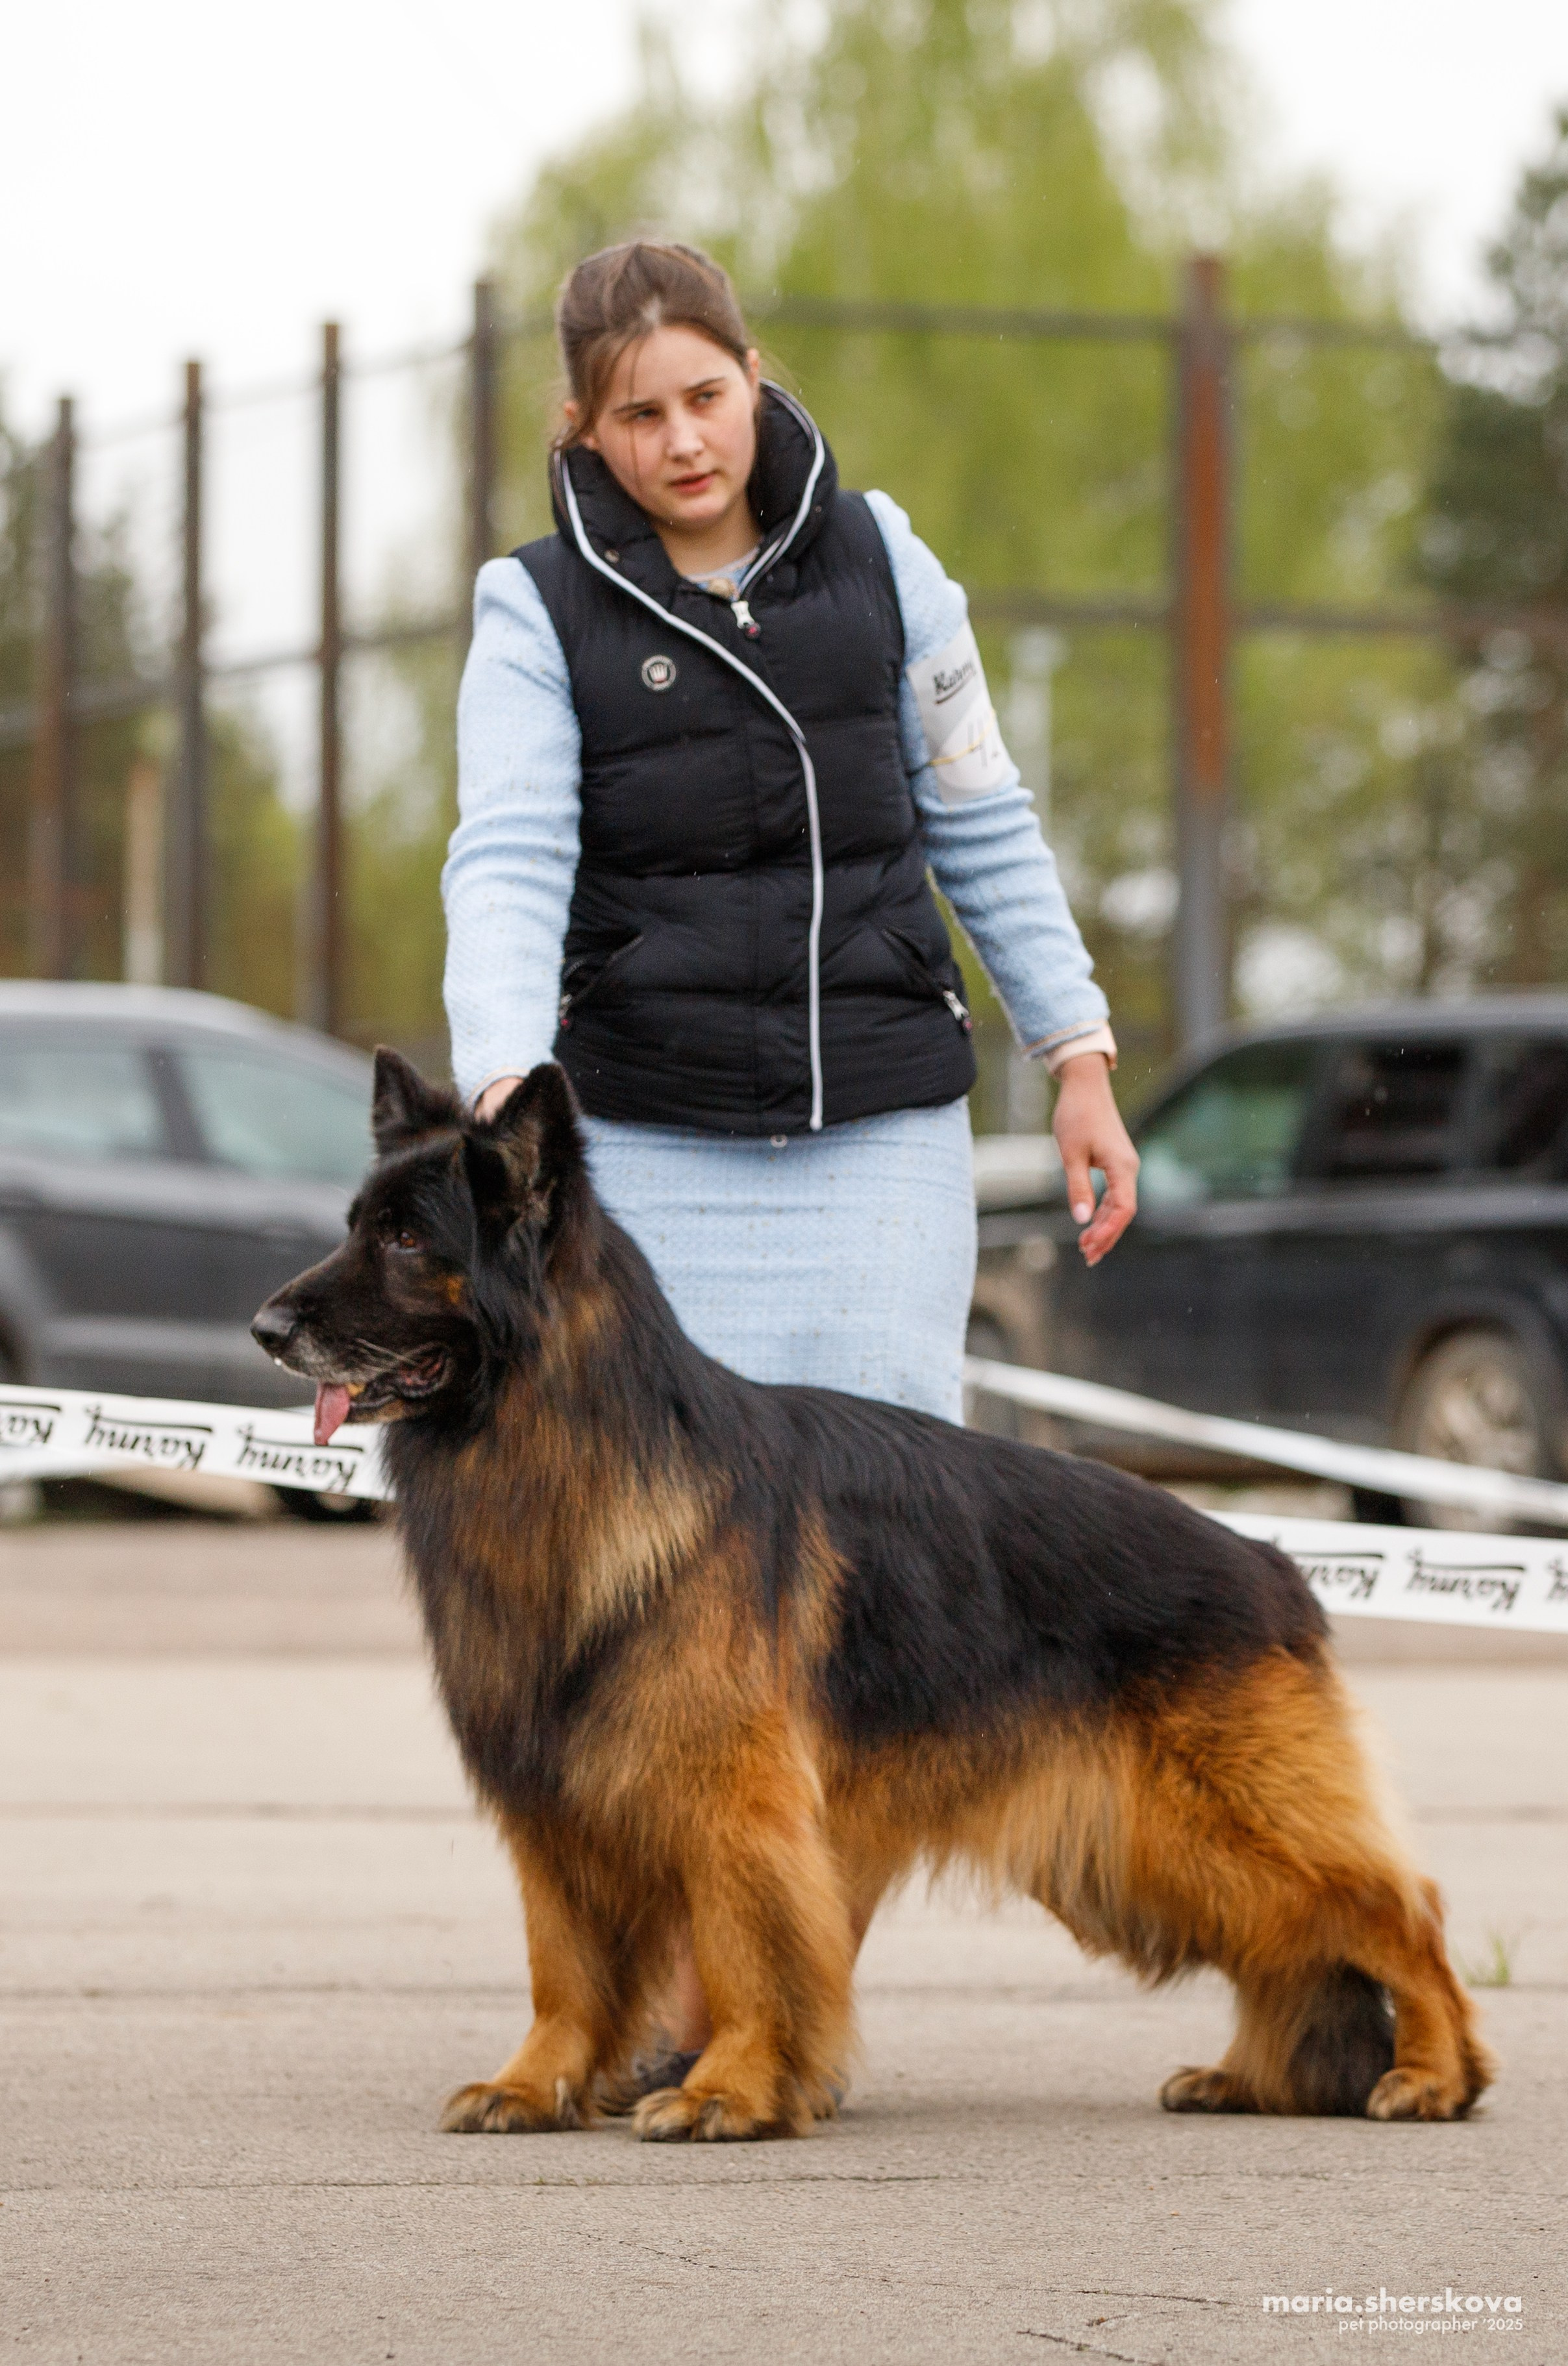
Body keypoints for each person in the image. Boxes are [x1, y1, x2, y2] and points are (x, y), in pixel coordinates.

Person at [442, 238, 1138, 2084]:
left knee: (856, 1585)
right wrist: (507, 1090)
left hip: (880, 1137)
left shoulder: (884, 558)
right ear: (582, 431)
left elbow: (980, 816)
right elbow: (506, 855)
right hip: (648, 1148)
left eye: (708, 396)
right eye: (639, 414)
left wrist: (1076, 1051)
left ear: (758, 375)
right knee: (664, 1613)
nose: (684, 440)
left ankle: (768, 1988)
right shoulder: (538, 609)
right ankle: (677, 1988)